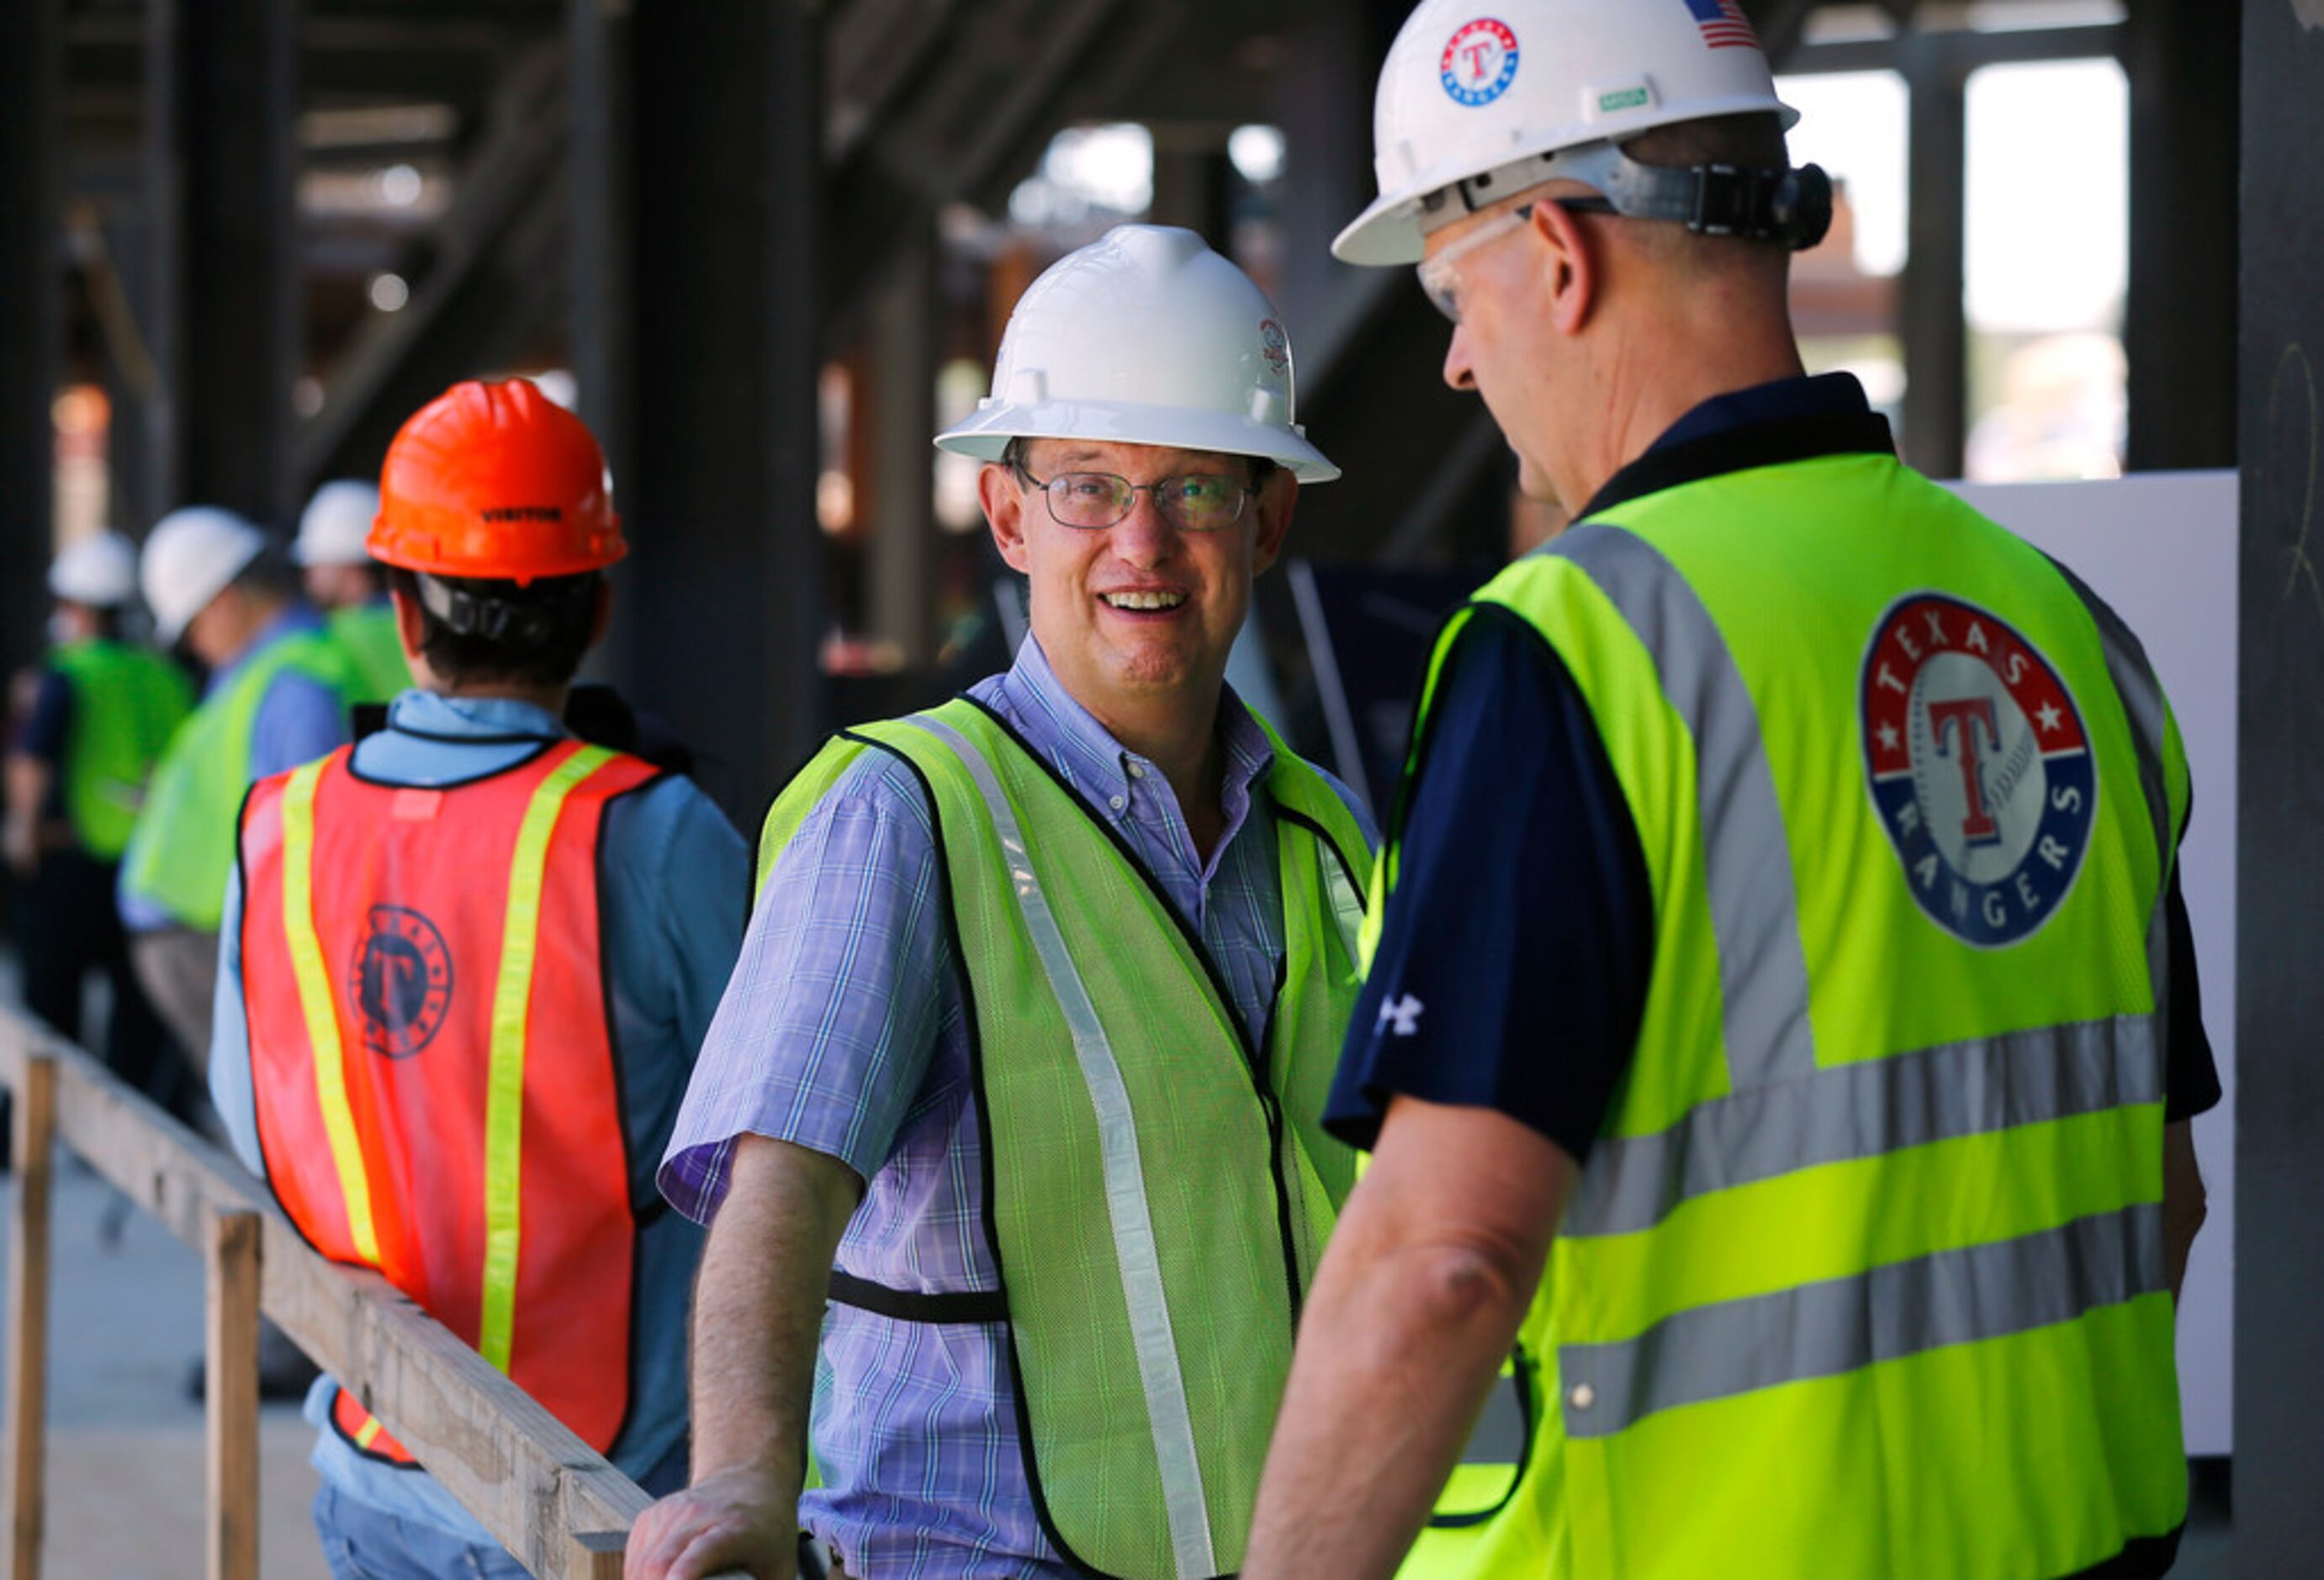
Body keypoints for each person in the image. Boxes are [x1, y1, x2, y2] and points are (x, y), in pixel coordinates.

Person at [1241, 4, 2219, 1578]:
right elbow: (2156, 1194)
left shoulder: (1580, 647)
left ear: (1557, 254)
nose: (1454, 353)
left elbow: (1443, 1257)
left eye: (1450, 286)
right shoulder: (2061, 625)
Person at [628, 225, 1374, 1580]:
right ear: (1010, 512)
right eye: (1089, 486)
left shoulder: (1322, 833)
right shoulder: (907, 813)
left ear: (1267, 520)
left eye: (1196, 489)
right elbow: (777, 1183)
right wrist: (744, 1471)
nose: (1139, 542)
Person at [209, 377, 748, 1580]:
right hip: (608, 1497)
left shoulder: (276, 827)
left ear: (404, 612)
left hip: (373, 1459)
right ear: (595, 604)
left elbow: (256, 1127)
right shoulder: (655, 832)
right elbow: (783, 1156)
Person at [117, 506, 356, 1068]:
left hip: (215, 939)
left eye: (193, 626)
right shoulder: (259, 670)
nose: (195, 645)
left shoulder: (294, 683)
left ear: (225, 600)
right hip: (202, 936)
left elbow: (303, 840)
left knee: (257, 1125)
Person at [4, 532, 192, 1105]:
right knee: (136, 1018)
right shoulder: (165, 674)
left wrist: (23, 833)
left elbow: (33, 760)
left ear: (79, 608)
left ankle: (38, 1125)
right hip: (149, 868)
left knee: (50, 1007)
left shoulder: (70, 672)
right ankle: (135, 1123)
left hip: (71, 860)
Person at [295, 479, 413, 704]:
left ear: (350, 566)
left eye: (318, 563)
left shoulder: (330, 641)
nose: (308, 575)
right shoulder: (419, 624)